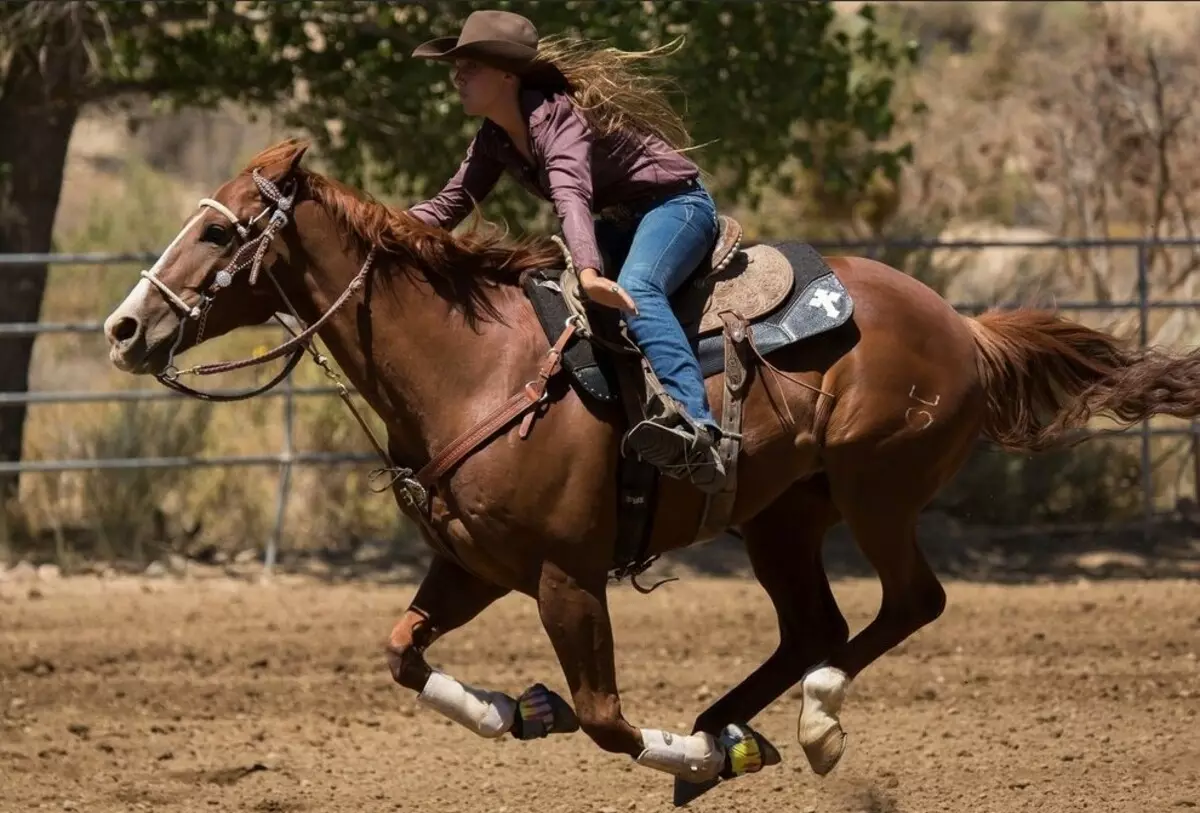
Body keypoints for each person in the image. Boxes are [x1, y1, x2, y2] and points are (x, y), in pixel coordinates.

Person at [407, 9, 726, 494]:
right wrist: (371, 225)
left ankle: (697, 428)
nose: (458, 76)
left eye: (471, 66)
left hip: (676, 206)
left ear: (507, 75)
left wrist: (591, 270)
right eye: (457, 67)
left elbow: (571, 197)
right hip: (621, 222)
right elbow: (448, 205)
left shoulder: (559, 119)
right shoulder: (494, 139)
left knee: (637, 287)